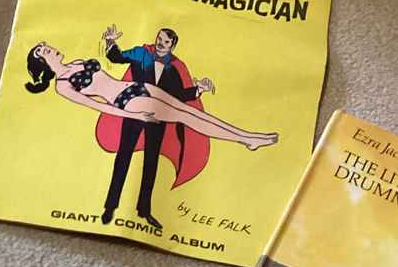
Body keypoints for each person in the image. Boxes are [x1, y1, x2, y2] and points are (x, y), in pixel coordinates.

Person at [25, 42, 277, 230]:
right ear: (43, 61)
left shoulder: (78, 62)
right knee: (185, 117)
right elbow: (98, 106)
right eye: (45, 50)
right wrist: (133, 116)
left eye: (47, 46)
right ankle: (246, 139)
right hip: (125, 102)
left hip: (138, 87)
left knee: (190, 112)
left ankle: (247, 137)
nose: (51, 48)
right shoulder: (62, 85)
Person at [100, 26, 212, 229]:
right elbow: (117, 57)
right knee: (123, 157)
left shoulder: (173, 69)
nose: (161, 43)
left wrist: (199, 90)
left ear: (172, 46)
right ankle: (110, 206)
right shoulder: (141, 53)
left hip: (157, 121)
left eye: (166, 42)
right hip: (134, 114)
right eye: (159, 39)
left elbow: (179, 96)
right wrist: (110, 42)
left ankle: (144, 210)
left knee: (151, 164)